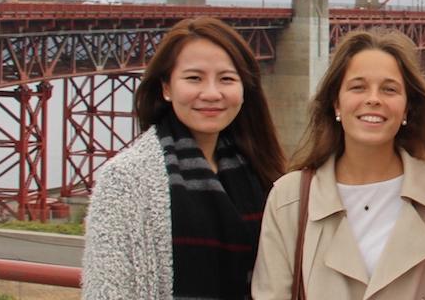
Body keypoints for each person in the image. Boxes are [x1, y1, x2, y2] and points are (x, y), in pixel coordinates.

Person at [82, 17, 287, 299]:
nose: (212, 93)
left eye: (227, 79)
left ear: (244, 89)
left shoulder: (263, 172)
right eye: (194, 78)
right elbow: (106, 291)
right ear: (166, 87)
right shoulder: (124, 179)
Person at [252, 29, 425, 299]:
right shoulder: (289, 198)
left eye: (389, 89)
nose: (373, 99)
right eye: (358, 87)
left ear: (407, 109)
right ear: (336, 103)